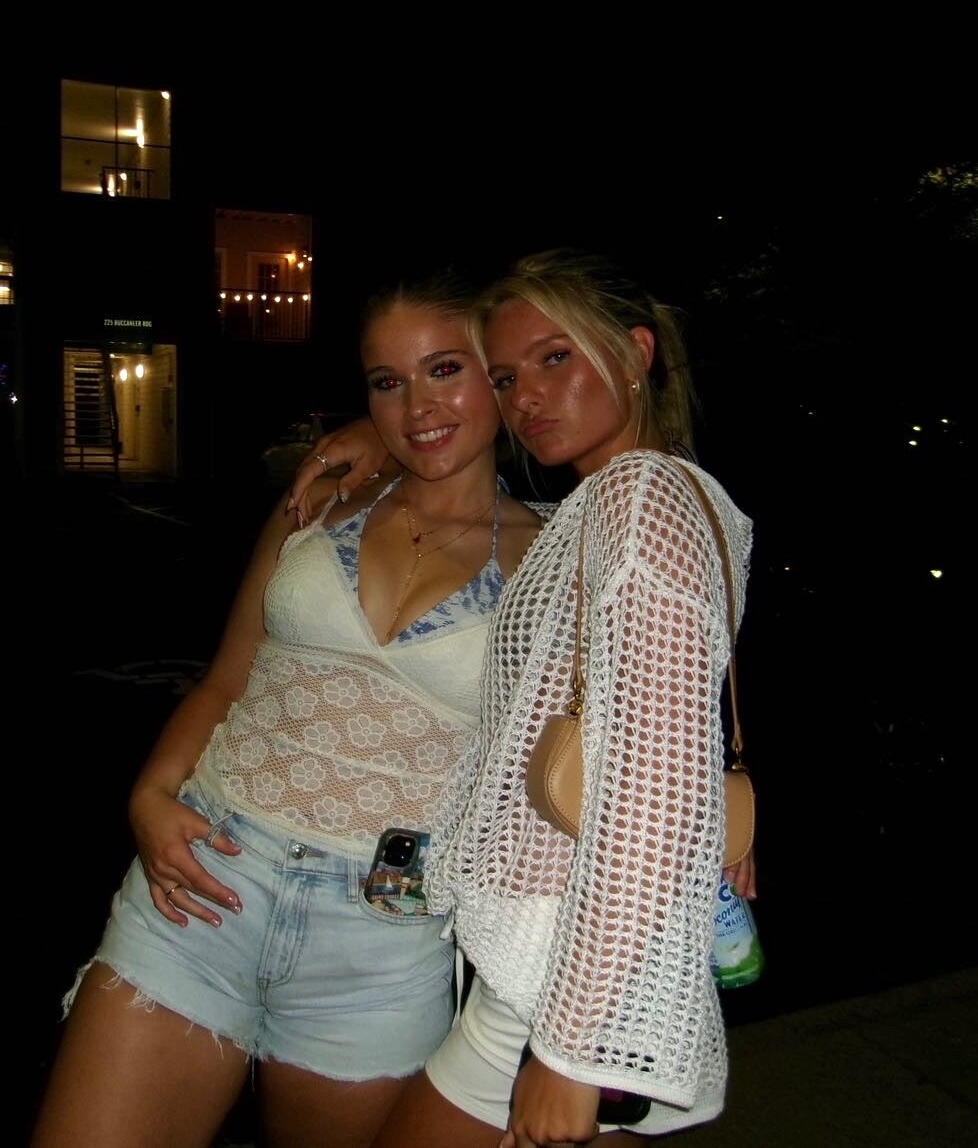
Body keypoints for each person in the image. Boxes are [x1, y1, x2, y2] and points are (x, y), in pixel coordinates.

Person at [29, 268, 547, 1148]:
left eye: (445, 370)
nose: (417, 406)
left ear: (497, 373)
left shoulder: (552, 555)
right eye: (387, 382)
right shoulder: (322, 499)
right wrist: (149, 794)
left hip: (383, 941)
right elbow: (226, 679)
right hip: (204, 883)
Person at [288, 248, 756, 1148]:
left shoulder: (639, 500)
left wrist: (570, 1054)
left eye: (554, 358)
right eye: (504, 378)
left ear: (636, 352)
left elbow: (653, 796)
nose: (526, 397)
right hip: (572, 960)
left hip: (562, 979)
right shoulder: (661, 497)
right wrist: (375, 437)